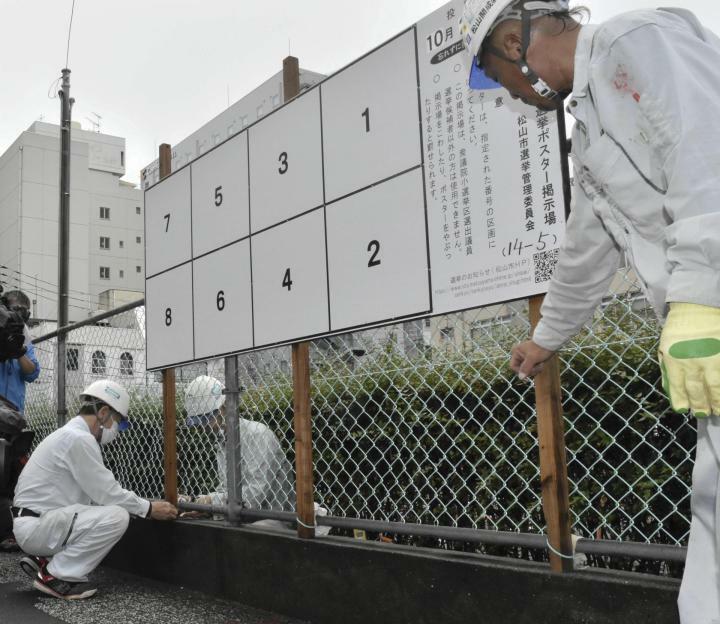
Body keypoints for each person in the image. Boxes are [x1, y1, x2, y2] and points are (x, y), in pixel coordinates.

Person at [460, 2, 720, 622]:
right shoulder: (593, 121)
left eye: (501, 80)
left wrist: (701, 301)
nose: (515, 97)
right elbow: (588, 244)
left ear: (513, 42)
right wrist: (546, 338)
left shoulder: (639, 40)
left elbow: (706, 152)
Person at [12, 379, 178, 600]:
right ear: (103, 412)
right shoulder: (79, 439)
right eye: (118, 421)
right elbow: (107, 492)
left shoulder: (68, 435)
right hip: (37, 527)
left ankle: (46, 559)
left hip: (35, 522)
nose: (117, 429)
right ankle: (56, 575)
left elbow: (96, 496)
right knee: (117, 517)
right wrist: (148, 508)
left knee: (97, 508)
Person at [182, 375, 296, 515]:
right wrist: (203, 506)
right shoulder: (223, 439)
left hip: (275, 516)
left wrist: (211, 501)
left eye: (207, 418)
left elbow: (255, 494)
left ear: (224, 407)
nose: (204, 426)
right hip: (243, 515)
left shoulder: (257, 435)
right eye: (199, 422)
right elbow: (226, 490)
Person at [0, 289, 39, 414]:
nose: (17, 317)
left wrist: (18, 351)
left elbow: (32, 373)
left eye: (24, 312)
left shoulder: (23, 332)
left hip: (13, 414)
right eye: (15, 310)